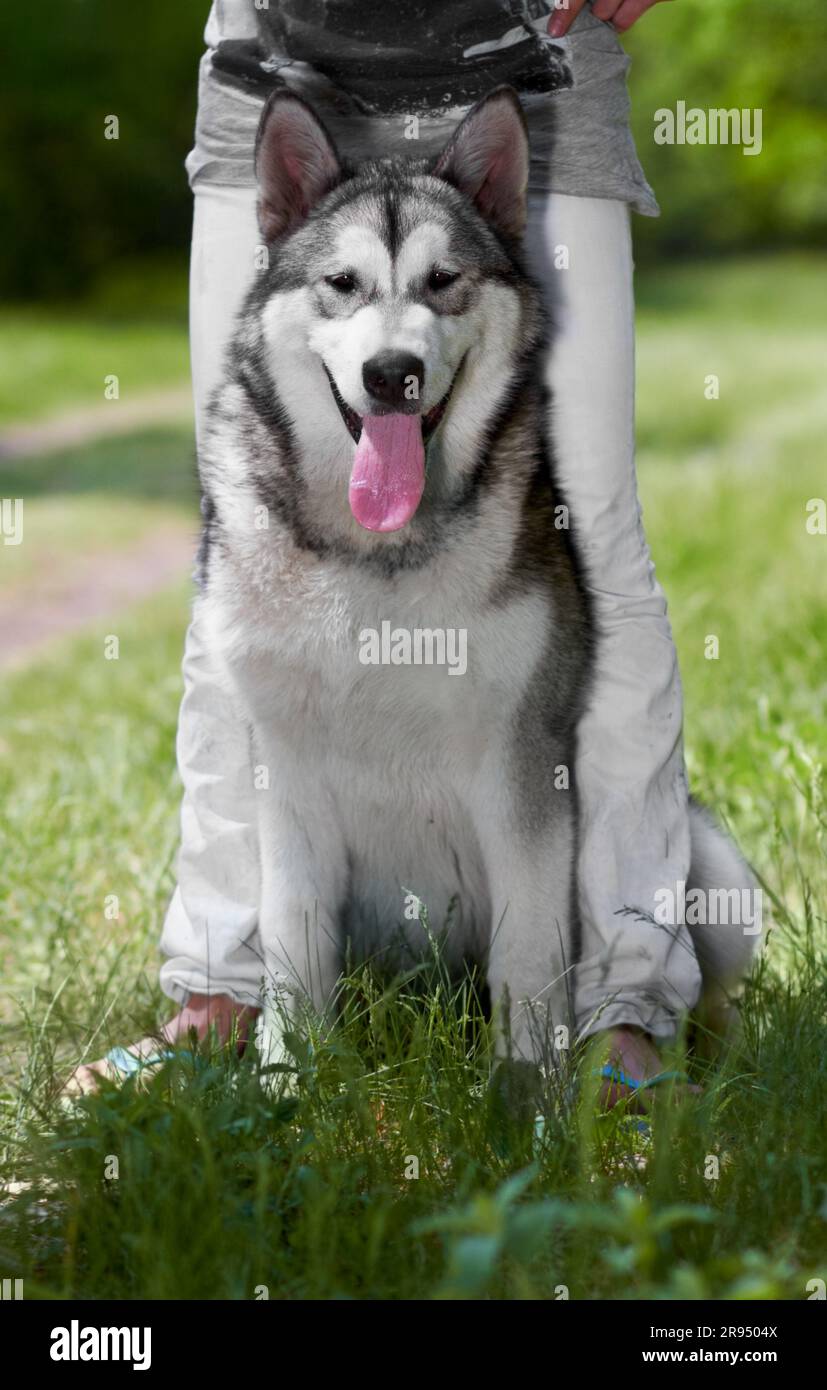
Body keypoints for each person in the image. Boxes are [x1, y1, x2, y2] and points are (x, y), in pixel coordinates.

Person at [68, 0, 696, 1106]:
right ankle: (223, 990)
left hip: (529, 51)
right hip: (278, 51)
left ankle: (622, 1008)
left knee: (586, 531)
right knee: (249, 545)